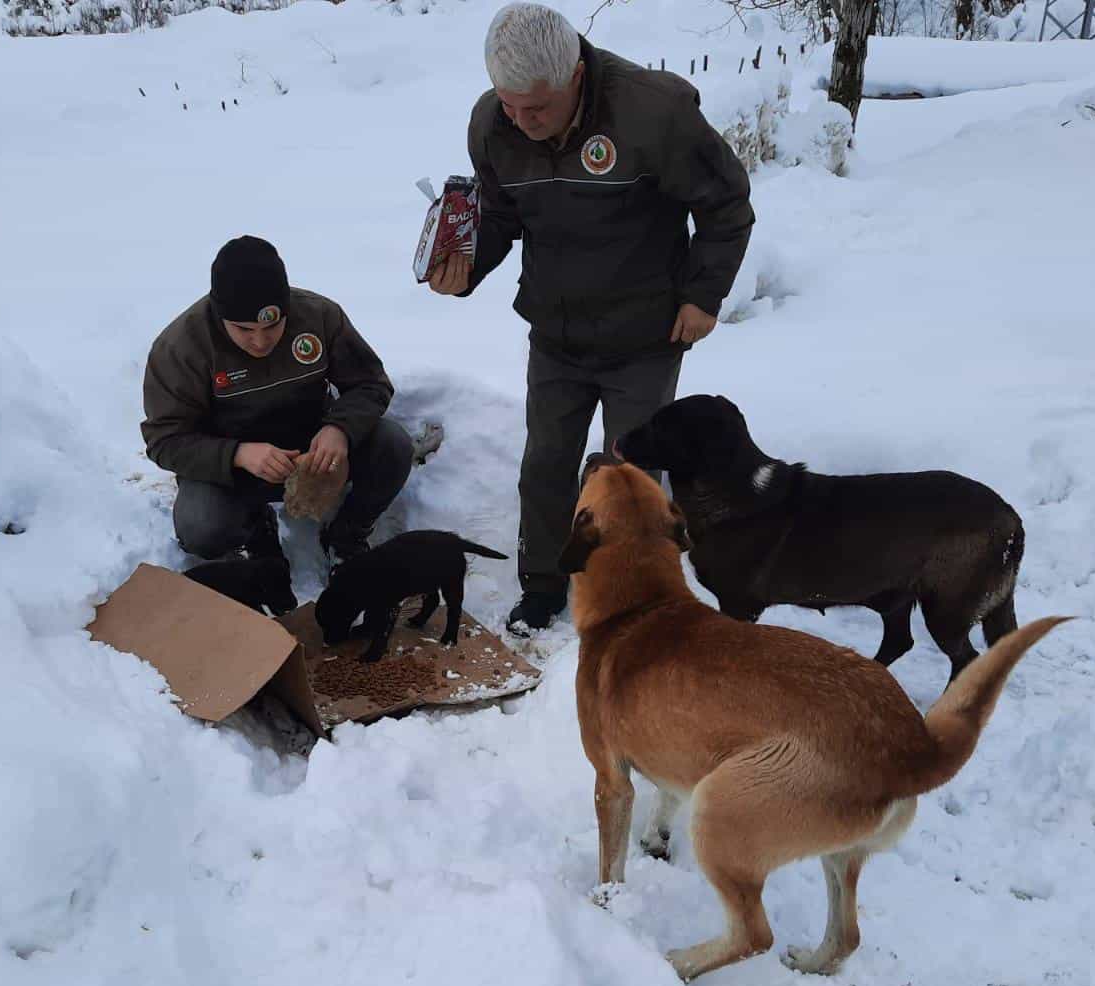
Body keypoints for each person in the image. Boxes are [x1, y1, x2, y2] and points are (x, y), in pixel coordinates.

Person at [428, 3, 754, 631]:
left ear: (576, 75)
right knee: (546, 463)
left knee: (629, 475)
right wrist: (467, 265)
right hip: (556, 331)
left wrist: (703, 295)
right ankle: (545, 584)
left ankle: (630, 591)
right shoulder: (492, 123)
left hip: (646, 332)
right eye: (510, 106)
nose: (521, 124)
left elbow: (727, 205)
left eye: (537, 110)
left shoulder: (652, 114)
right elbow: (500, 212)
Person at [142, 236, 413, 567]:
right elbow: (164, 440)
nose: (260, 341)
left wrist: (339, 430)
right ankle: (255, 528)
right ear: (219, 313)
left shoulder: (319, 316)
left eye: (273, 325)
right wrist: (238, 455)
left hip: (312, 450)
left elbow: (370, 383)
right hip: (232, 465)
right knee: (201, 527)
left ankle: (346, 533)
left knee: (393, 446)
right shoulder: (181, 347)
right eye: (244, 329)